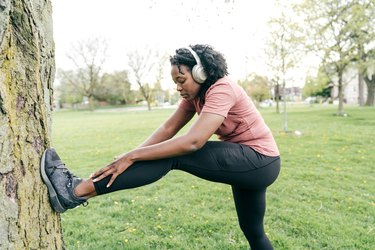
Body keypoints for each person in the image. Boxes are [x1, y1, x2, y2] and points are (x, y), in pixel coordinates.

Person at [41, 44, 281, 250]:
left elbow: (192, 142)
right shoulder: (194, 96)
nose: (178, 87)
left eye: (181, 80)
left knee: (173, 155)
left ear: (200, 73)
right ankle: (75, 191)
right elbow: (168, 129)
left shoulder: (222, 88)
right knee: (253, 231)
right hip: (258, 165)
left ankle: (74, 191)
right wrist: (130, 156)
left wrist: (134, 156)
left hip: (258, 159)